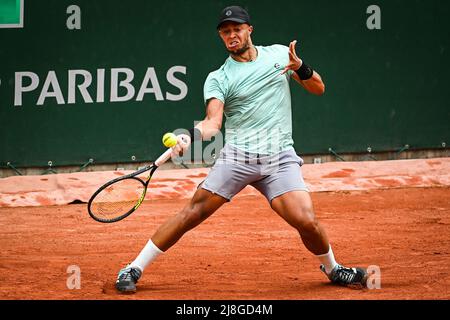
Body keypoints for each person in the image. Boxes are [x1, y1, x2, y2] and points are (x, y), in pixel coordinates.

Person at [115, 5, 367, 293]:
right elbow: (213, 123)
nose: (231, 35)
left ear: (249, 30)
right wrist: (187, 136)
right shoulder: (219, 77)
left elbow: (318, 87)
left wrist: (300, 67)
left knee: (306, 220)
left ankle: (334, 269)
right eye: (225, 32)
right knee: (192, 213)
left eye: (236, 29)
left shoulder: (281, 55)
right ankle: (133, 267)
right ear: (221, 37)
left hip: (279, 158)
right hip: (238, 157)